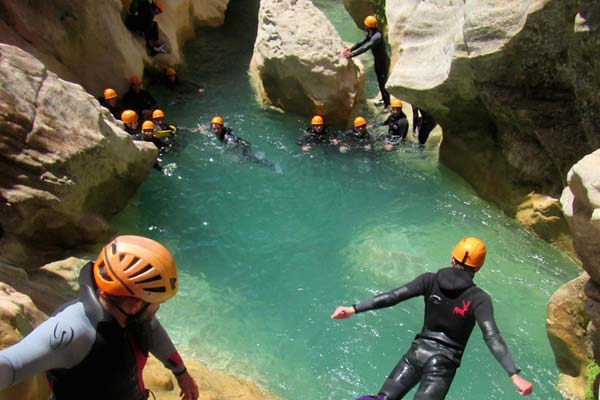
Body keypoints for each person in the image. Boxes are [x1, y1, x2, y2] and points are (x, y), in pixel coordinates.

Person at [331, 237, 534, 400]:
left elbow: (393, 296)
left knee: (382, 398)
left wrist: (353, 309)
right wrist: (513, 374)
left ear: (452, 259)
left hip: (416, 354)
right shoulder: (479, 299)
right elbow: (492, 336)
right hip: (443, 364)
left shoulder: (429, 280)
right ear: (478, 268)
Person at [0, 235, 200, 400]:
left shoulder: (130, 315)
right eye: (157, 302)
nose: (159, 307)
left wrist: (181, 372)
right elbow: (10, 365)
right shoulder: (75, 331)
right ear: (135, 305)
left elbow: (152, 329)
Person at [343, 16, 391, 109]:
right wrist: (350, 49)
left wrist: (352, 55)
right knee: (379, 81)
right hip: (378, 61)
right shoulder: (370, 33)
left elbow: (366, 47)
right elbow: (361, 42)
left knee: (383, 83)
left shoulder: (377, 36)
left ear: (368, 26)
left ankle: (387, 105)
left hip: (383, 62)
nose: (365, 27)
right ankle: (384, 99)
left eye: (366, 26)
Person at [209, 115, 278, 171]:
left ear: (222, 127)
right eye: (214, 128)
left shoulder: (227, 137)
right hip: (240, 144)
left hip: (242, 146)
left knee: (250, 159)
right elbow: (210, 128)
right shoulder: (218, 131)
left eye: (218, 128)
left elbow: (232, 143)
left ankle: (270, 165)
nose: (216, 131)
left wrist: (223, 151)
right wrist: (201, 128)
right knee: (240, 161)